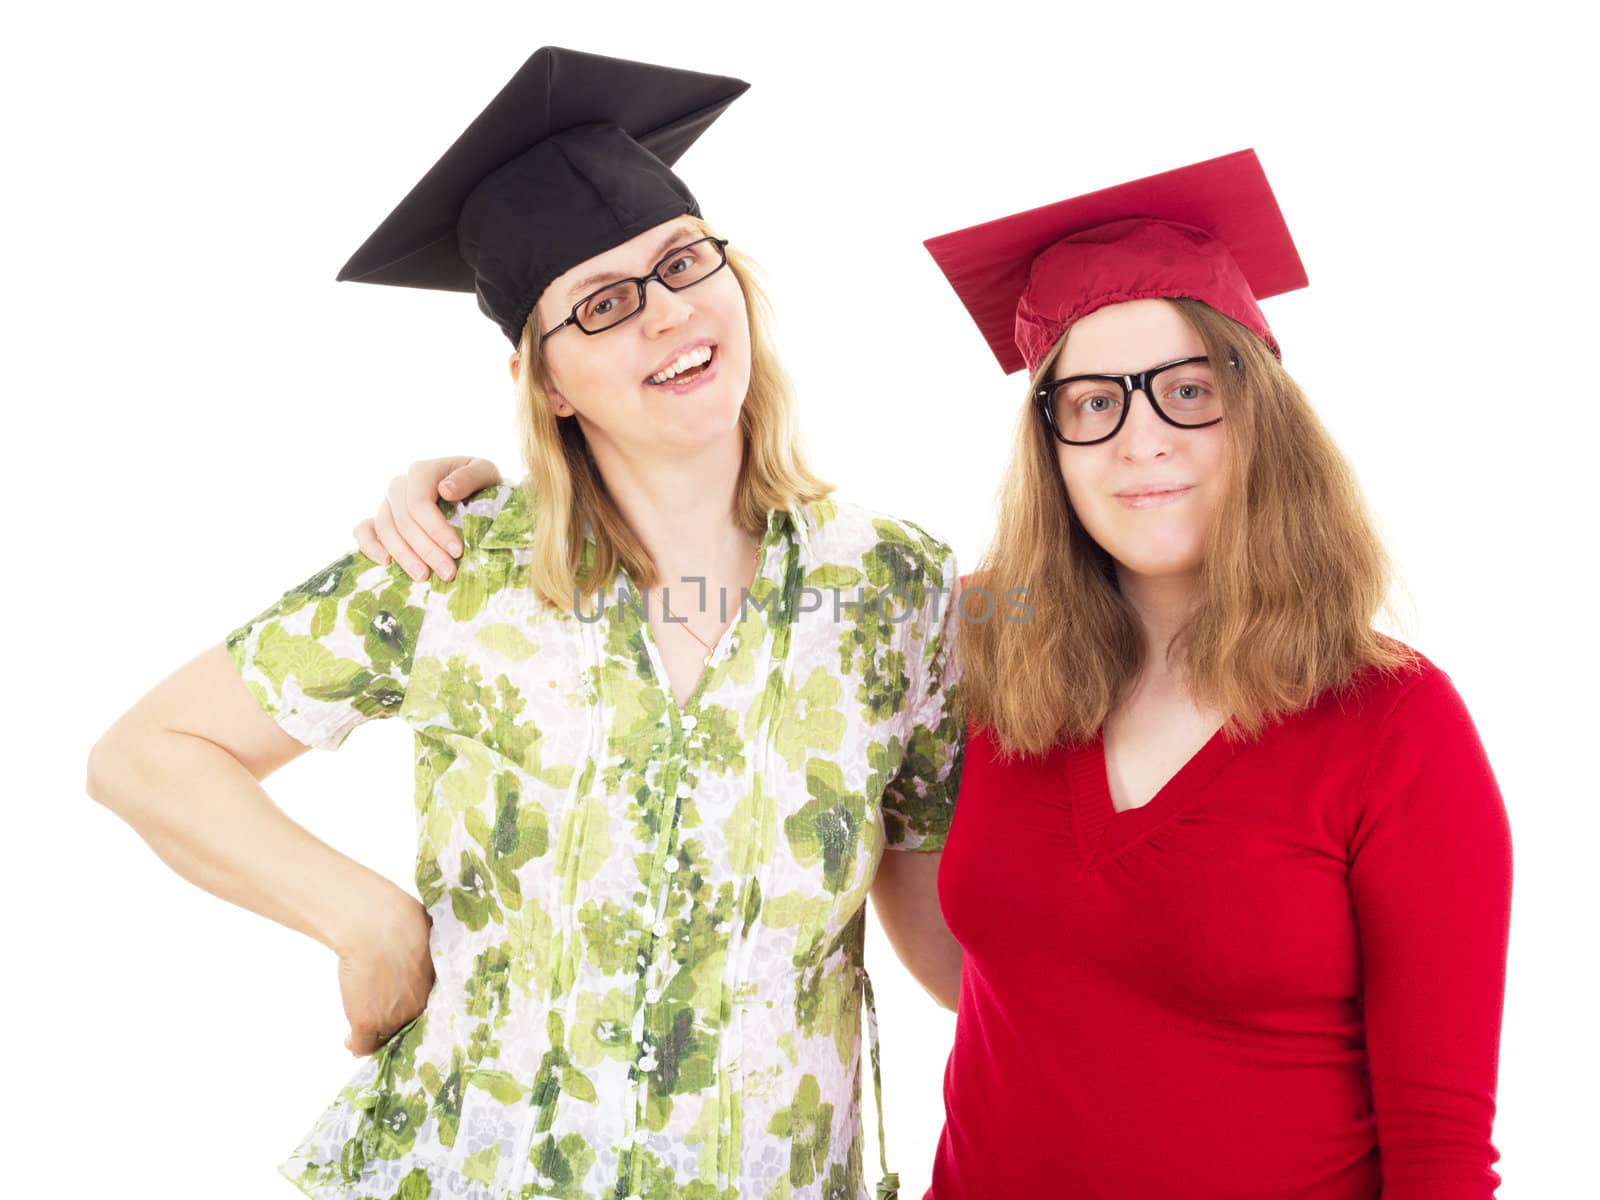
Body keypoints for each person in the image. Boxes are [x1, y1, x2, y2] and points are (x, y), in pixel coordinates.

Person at [375, 150, 1513, 1198]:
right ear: (1049, 447)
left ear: (1261, 416)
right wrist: (494, 499)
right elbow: (718, 596)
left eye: (1190, 389)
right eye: (1090, 403)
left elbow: (1440, 1148)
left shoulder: (1394, 724)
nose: (1140, 437)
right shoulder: (985, 644)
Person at [86, 47, 963, 1200]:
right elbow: (147, 756)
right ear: (545, 381)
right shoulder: (450, 566)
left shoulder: (896, 590)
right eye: (602, 305)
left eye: (682, 262)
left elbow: (952, 946)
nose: (668, 315)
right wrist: (364, 919)